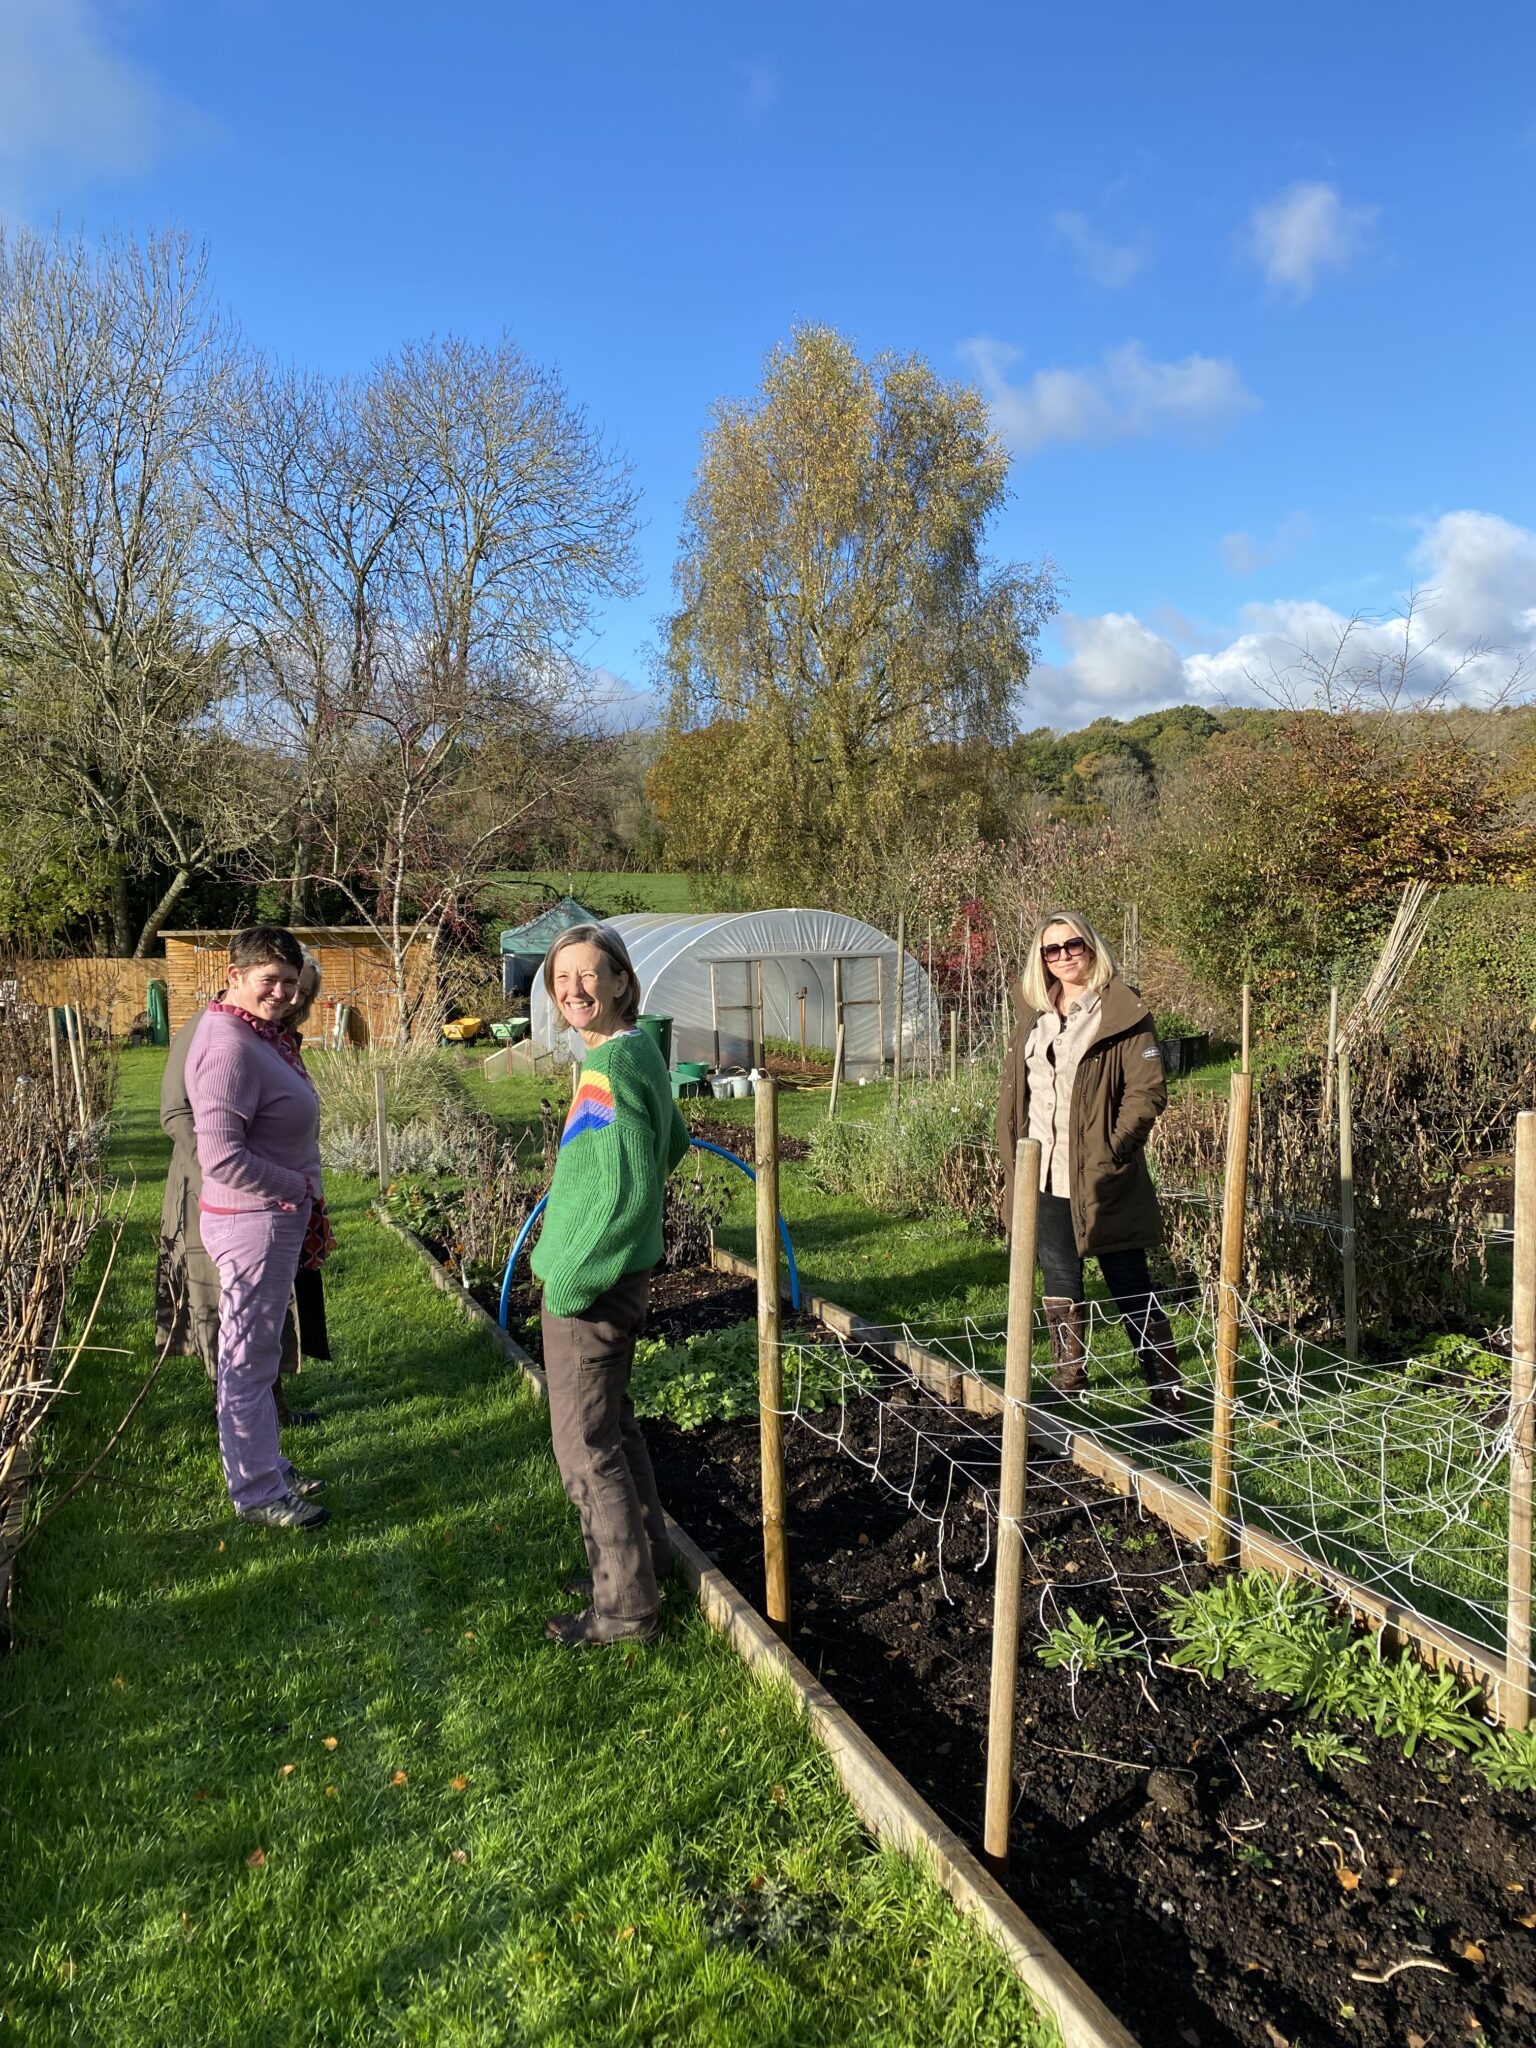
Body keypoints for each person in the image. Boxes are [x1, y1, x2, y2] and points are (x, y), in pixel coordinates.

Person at [531, 923, 690, 1646]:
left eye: (589, 975)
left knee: (585, 1450)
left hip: (593, 1288)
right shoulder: (635, 1051)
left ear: (622, 981)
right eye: (561, 979)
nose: (573, 990)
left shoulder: (610, 1068)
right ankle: (643, 1562)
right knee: (615, 1429)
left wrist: (571, 1276)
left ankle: (625, 1609)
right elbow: (673, 1140)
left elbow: (626, 1191)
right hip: (621, 1280)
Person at [997, 910, 1185, 1435]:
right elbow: (1019, 1089)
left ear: (1092, 946)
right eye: (1051, 949)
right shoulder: (1035, 1013)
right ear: (1041, 958)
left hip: (1101, 1175)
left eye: (1072, 945)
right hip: (1042, 1171)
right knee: (1059, 1278)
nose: (1063, 957)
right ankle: (1069, 1385)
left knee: (1129, 1281)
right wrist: (1013, 1153)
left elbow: (1147, 1092)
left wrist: (1113, 1150)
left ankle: (1168, 1396)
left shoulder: (1122, 1012)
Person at [186, 927, 332, 1530]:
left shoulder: (253, 1033)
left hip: (267, 1219)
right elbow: (221, 1156)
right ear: (235, 976)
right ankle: (257, 1493)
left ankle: (266, 1465)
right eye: (269, 980)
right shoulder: (229, 1046)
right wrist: (294, 1187)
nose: (282, 993)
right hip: (254, 1221)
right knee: (247, 1361)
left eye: (290, 983)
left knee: (259, 1356)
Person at [155, 951, 328, 1422]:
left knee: (269, 1303)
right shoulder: (214, 1032)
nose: (291, 998)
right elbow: (176, 1113)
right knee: (228, 1302)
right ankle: (239, 1412)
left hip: (271, 1192)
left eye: (302, 991)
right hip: (216, 1192)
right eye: (282, 984)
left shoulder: (273, 1035)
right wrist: (226, 1176)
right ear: (240, 977)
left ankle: (267, 1408)